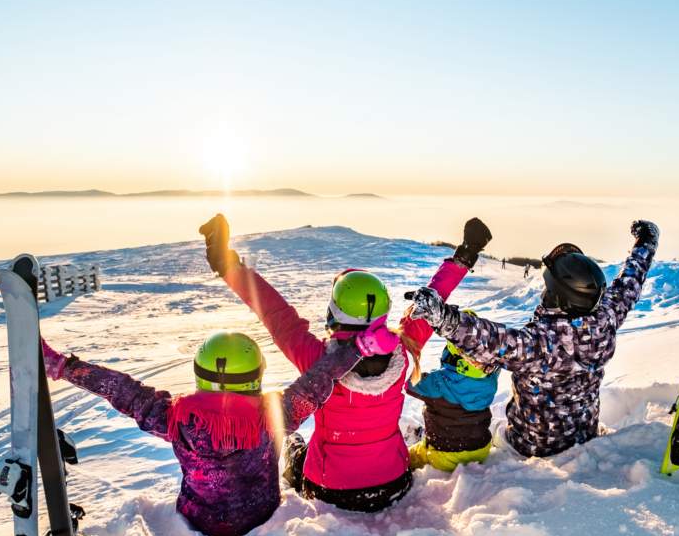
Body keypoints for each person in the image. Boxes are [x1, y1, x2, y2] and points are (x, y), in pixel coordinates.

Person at [199, 214, 492, 512]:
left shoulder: (317, 360)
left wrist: (227, 265)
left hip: (330, 489)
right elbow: (432, 301)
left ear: (334, 312)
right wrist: (465, 254)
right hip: (394, 482)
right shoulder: (404, 350)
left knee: (295, 451)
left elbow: (275, 312)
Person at [39, 323, 399, 536]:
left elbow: (122, 390)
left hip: (200, 520)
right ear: (256, 375)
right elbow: (318, 381)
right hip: (261, 515)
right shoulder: (273, 416)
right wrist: (359, 348)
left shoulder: (175, 417)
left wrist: (64, 367)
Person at [407, 220, 658, 458]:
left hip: (531, 446)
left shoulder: (540, 343)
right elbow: (629, 284)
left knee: (491, 435)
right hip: (585, 434)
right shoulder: (606, 319)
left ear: (558, 297)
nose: (544, 292)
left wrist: (443, 317)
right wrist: (645, 243)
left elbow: (490, 340)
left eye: (548, 288)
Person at [405, 310, 501, 472]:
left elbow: (407, 382)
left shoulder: (438, 383)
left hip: (445, 455)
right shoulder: (489, 379)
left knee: (408, 457)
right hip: (481, 449)